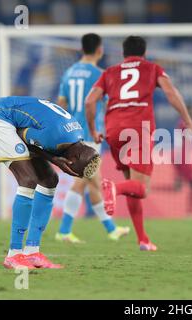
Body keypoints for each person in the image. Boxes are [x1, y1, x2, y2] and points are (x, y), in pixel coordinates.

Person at [85, 36, 192, 251]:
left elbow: (90, 101)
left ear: (123, 54)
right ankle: (113, 188)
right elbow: (171, 93)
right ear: (144, 53)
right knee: (142, 189)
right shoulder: (152, 68)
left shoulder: (109, 72)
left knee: (132, 187)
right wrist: (189, 121)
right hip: (137, 131)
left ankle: (143, 239)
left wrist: (93, 131)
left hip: (114, 131)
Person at [0, 96, 100, 269]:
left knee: (50, 180)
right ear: (74, 157)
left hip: (18, 119)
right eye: (76, 166)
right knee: (28, 179)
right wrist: (55, 160)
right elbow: (22, 136)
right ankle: (13, 255)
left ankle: (32, 252)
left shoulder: (76, 134)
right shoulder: (54, 136)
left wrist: (55, 160)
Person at [56, 33, 129, 243]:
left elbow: (61, 106)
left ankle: (110, 229)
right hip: (91, 135)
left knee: (91, 182)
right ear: (100, 50)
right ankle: (64, 230)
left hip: (72, 135)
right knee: (84, 181)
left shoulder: (68, 73)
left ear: (82, 49)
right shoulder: (100, 74)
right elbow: (108, 104)